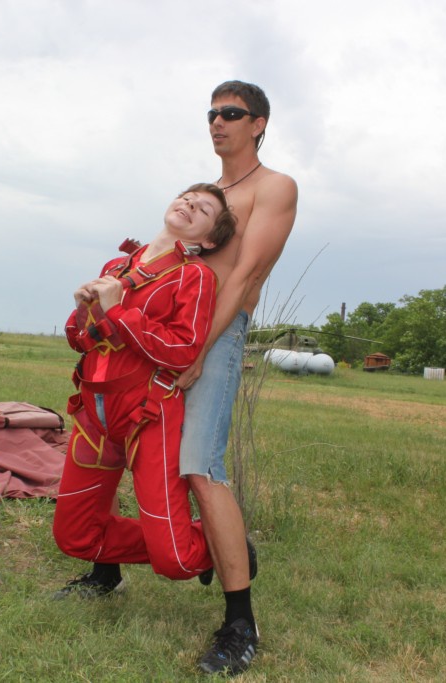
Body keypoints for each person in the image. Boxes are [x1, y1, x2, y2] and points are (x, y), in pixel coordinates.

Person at [51, 184, 237, 596]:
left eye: (204, 209)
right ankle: (172, 542)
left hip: (148, 415)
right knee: (74, 537)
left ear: (209, 240)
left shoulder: (195, 276)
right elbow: (81, 340)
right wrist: (82, 311)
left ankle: (219, 546)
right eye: (187, 197)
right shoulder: (117, 267)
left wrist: (119, 310)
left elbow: (183, 351)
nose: (190, 204)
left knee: (177, 561)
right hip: (94, 414)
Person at [179, 81, 299, 676]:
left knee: (201, 467)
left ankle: (240, 625)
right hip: (173, 332)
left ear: (259, 124)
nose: (217, 122)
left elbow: (248, 272)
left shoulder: (274, 187)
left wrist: (200, 349)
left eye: (231, 113)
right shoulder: (204, 195)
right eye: (212, 113)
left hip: (216, 337)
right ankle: (104, 569)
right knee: (137, 448)